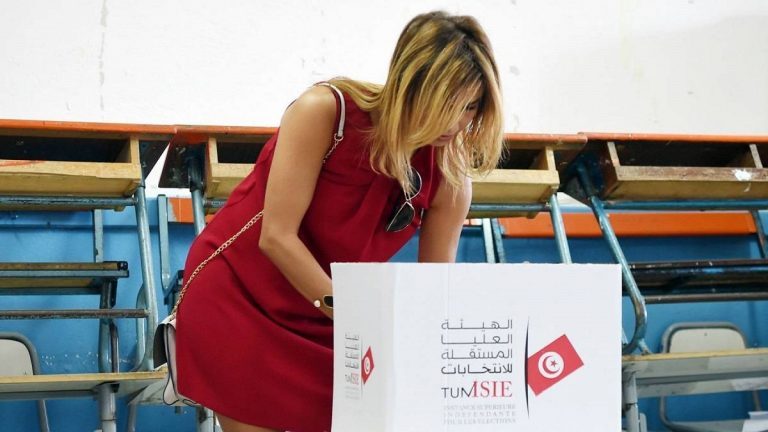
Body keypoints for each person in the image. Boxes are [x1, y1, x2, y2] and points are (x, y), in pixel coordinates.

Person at [175, 10, 504, 432]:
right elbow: (276, 237)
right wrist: (357, 320)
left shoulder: (450, 178)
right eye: (447, 103)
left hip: (333, 318)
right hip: (240, 296)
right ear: (409, 84)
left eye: (471, 106)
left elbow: (433, 292)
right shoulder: (326, 112)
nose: (458, 122)